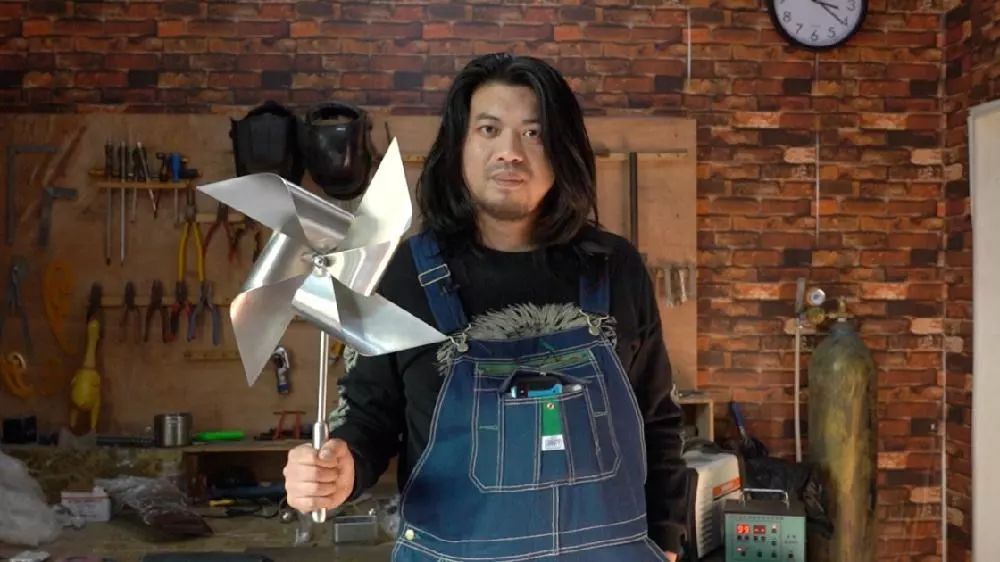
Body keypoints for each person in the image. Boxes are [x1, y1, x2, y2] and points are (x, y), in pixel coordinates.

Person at [283, 53, 687, 562]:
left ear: (563, 149)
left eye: (533, 133)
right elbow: (369, 417)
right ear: (459, 145)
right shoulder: (402, 276)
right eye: (489, 129)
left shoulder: (615, 267)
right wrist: (340, 467)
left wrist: (667, 538)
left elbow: (658, 419)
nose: (510, 152)